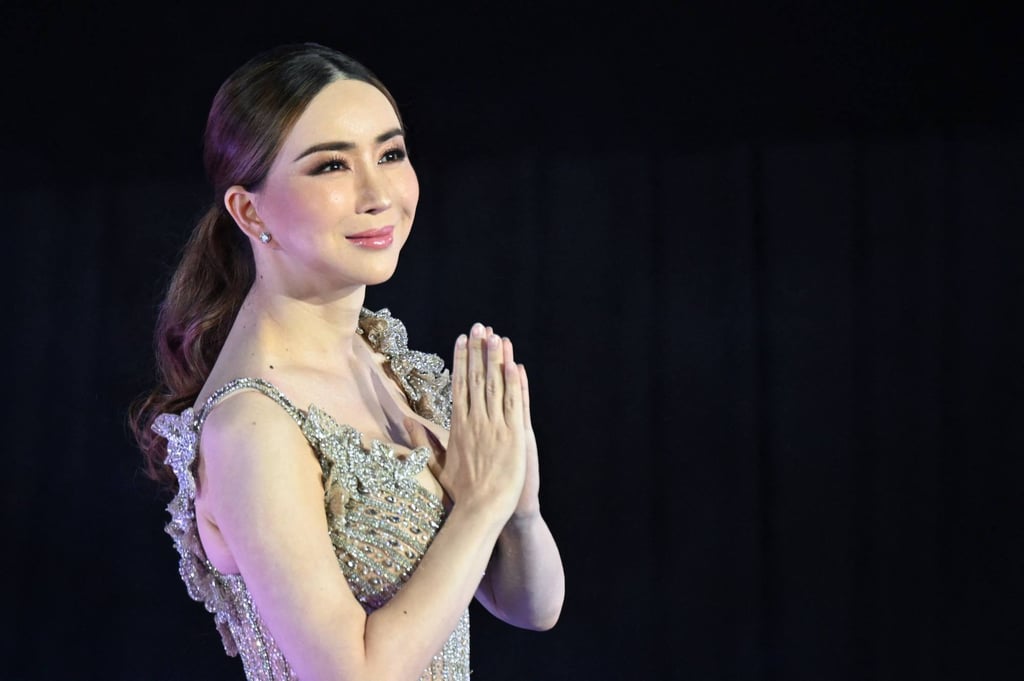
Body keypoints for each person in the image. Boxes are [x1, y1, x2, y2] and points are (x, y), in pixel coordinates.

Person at [128, 42, 565, 680]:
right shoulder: (252, 424)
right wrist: (478, 506)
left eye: (390, 154)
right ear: (249, 210)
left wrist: (516, 506)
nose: (377, 193)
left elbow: (534, 606)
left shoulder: (393, 369)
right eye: (331, 166)